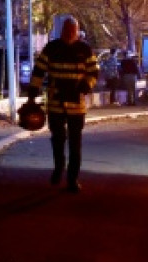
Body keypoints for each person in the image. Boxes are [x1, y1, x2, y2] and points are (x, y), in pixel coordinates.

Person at [25, 16, 98, 193]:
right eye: (66, 29)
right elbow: (38, 72)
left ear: (77, 30)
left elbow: (94, 72)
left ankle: (72, 179)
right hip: (56, 103)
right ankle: (59, 168)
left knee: (75, 143)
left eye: (72, 30)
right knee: (57, 139)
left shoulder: (85, 49)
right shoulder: (52, 48)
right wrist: (32, 96)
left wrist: (86, 85)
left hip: (76, 105)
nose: (69, 32)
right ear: (62, 30)